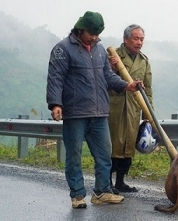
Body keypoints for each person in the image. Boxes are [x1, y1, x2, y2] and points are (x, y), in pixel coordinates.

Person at [46, 11, 143, 209]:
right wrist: (56, 104)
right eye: (92, 33)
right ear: (81, 30)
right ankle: (77, 195)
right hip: (76, 112)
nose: (95, 37)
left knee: (104, 155)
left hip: (99, 112)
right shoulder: (63, 49)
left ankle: (102, 192)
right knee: (74, 155)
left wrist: (127, 85)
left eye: (98, 33)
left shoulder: (99, 50)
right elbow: (55, 78)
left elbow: (107, 76)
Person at [108, 24, 153, 193]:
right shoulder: (112, 56)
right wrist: (112, 69)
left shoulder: (144, 61)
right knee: (113, 145)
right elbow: (102, 81)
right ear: (125, 39)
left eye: (141, 39)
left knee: (128, 147)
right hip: (114, 108)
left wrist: (149, 113)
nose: (139, 42)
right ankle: (107, 182)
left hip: (133, 109)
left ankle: (121, 181)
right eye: (136, 38)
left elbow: (148, 89)